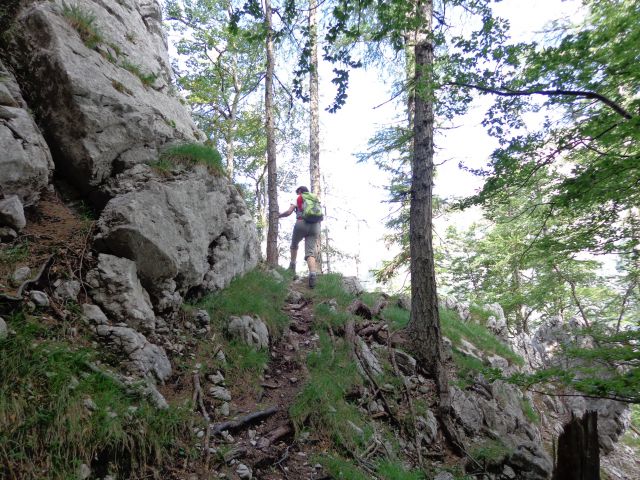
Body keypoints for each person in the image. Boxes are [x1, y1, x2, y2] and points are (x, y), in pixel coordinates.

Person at [278, 186, 320, 288]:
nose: (297, 194)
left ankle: (292, 267)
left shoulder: (299, 198)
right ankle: (313, 274)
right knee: (310, 253)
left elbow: (289, 212)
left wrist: (278, 215)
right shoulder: (314, 199)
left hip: (301, 223)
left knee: (294, 245)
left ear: (300, 191)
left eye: (298, 192)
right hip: (315, 226)